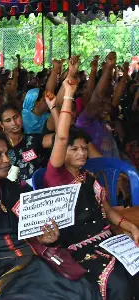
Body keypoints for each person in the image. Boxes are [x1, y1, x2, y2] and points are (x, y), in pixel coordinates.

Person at [0, 128, 100, 299]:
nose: (7, 160)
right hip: (0, 273)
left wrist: (44, 238)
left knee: (84, 288)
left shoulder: (12, 187)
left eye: (6, 153)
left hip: (31, 262)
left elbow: (31, 228)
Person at [44, 77, 139, 300]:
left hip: (107, 239)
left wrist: (130, 227)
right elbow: (62, 136)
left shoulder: (89, 177)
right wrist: (67, 95)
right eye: (74, 149)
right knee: (118, 282)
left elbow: (107, 210)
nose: (82, 153)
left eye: (84, 148)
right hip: (78, 248)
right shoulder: (55, 176)